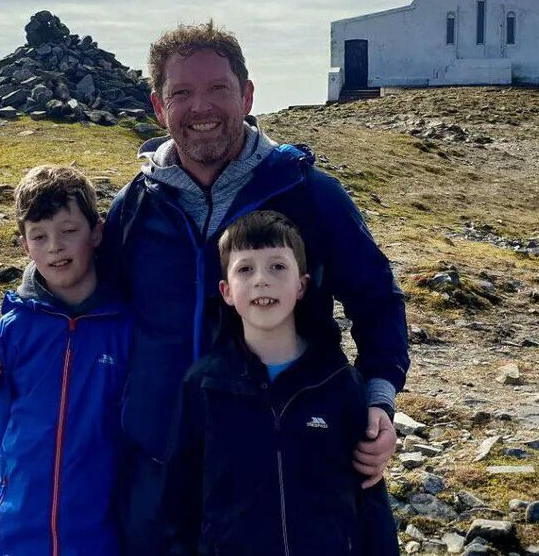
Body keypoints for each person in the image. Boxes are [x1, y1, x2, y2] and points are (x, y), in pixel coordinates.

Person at [0, 21, 409, 555]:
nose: (201, 107)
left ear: (246, 95)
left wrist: (378, 401)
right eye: (181, 93)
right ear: (158, 106)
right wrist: (2, 337)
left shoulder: (310, 194)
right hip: (158, 466)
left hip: (283, 459)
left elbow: (377, 300)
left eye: (218, 88)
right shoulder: (137, 205)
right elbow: (75, 280)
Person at [164, 210, 383, 555]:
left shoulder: (339, 382)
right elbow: (180, 501)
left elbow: (370, 497)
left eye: (278, 266)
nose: (261, 280)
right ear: (226, 291)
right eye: (245, 269)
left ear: (301, 285)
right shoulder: (202, 385)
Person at [0, 165, 130, 556]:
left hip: (99, 536)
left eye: (68, 231)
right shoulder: (14, 330)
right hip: (13, 534)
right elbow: (2, 429)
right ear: (24, 245)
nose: (55, 247)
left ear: (96, 233)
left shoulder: (125, 328)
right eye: (39, 236)